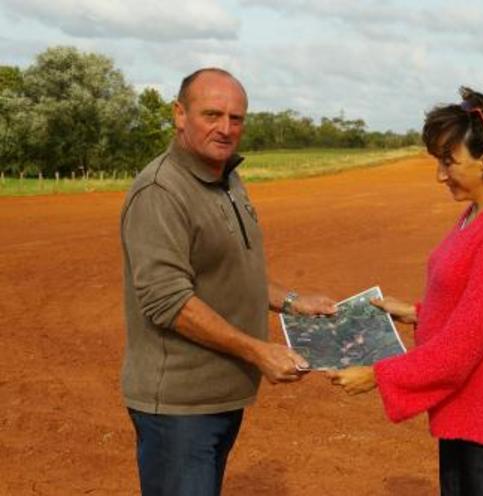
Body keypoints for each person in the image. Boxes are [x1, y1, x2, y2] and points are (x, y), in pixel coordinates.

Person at [120, 67, 336, 496]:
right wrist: (259, 352)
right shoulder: (161, 192)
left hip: (220, 398)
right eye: (212, 114)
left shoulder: (227, 178)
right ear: (179, 115)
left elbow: (233, 271)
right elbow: (168, 301)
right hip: (180, 407)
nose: (226, 128)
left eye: (236, 118)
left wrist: (292, 301)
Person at [328, 87, 483, 496]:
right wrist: (416, 311)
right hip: (471, 403)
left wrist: (378, 375)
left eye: (449, 162)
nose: (440, 174)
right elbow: (473, 302)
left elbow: (465, 342)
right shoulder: (479, 212)